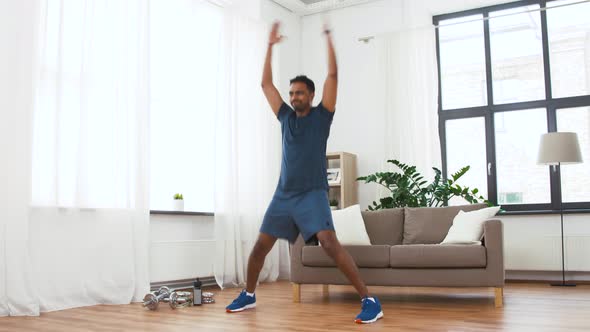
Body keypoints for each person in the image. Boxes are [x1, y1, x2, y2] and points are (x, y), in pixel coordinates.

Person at [225, 21, 383, 324]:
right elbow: (265, 86)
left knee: (328, 242)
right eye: (292, 93)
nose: (294, 97)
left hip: (312, 193)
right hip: (284, 194)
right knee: (260, 246)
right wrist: (269, 47)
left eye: (299, 93)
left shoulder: (323, 116)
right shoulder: (284, 116)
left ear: (310, 95)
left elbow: (333, 75)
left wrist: (328, 40)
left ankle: (370, 299)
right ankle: (249, 293)